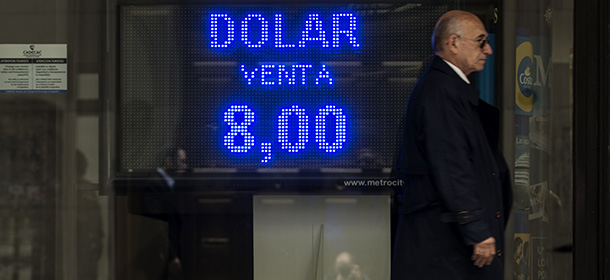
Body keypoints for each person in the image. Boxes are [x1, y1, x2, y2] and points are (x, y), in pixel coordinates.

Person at [392, 10, 513, 280]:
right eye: (481, 41)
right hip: (446, 251)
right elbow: (452, 165)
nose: (488, 49)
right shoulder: (441, 92)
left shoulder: (447, 89)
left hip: (446, 247)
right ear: (454, 43)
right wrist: (478, 231)